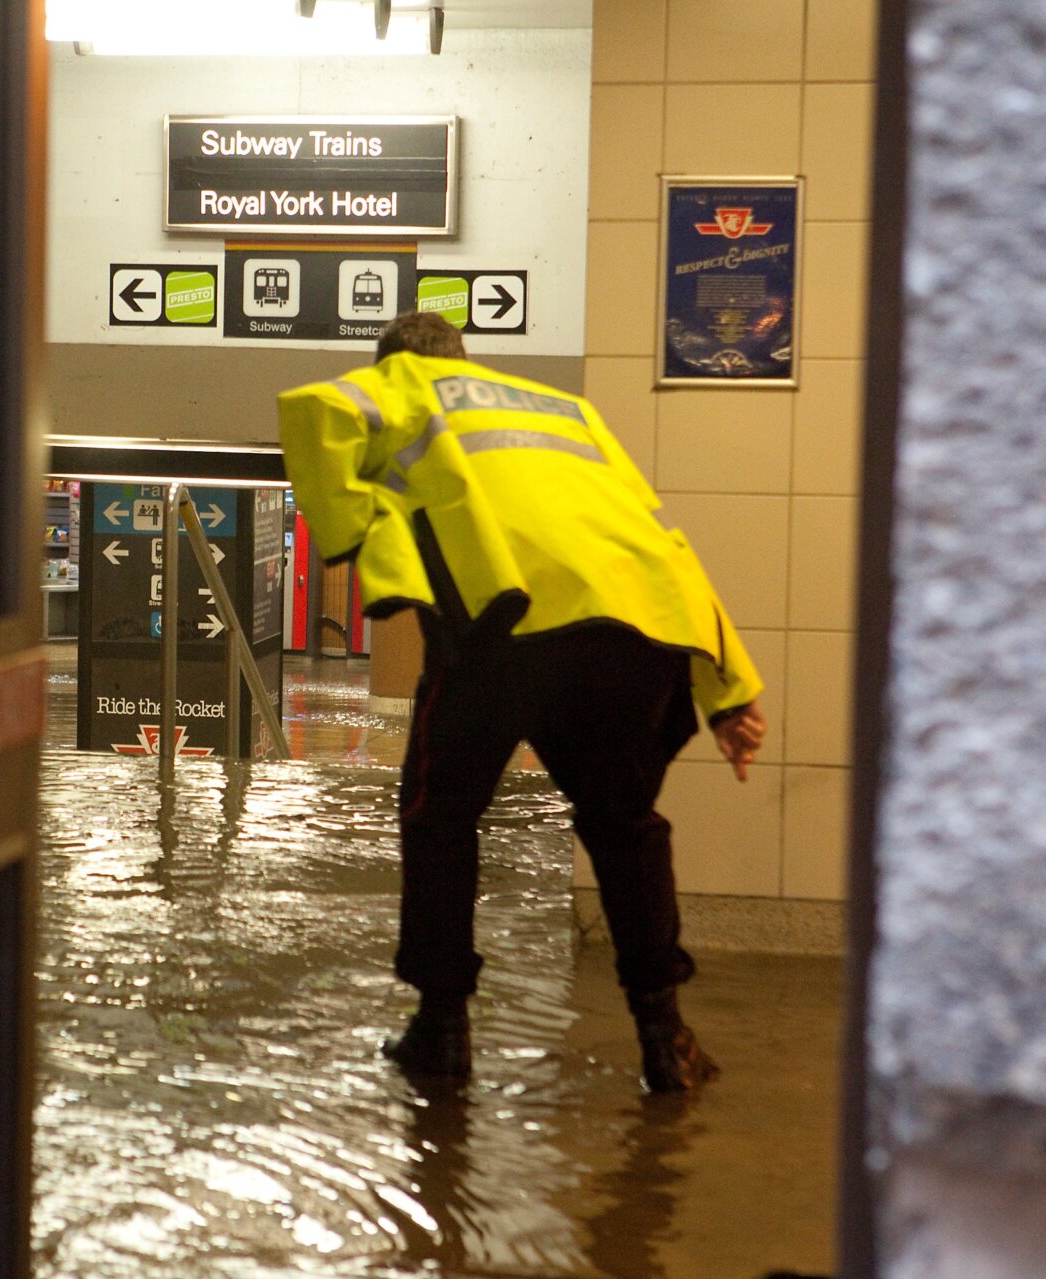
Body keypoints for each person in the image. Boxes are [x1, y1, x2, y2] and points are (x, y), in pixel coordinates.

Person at [277, 312, 767, 1093]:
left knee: (440, 817)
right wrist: (729, 690)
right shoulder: (563, 412)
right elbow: (665, 538)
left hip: (505, 627)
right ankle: (666, 1038)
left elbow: (315, 409)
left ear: (392, 360)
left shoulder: (405, 387)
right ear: (466, 357)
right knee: (625, 825)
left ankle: (441, 1030)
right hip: (634, 630)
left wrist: (360, 538)